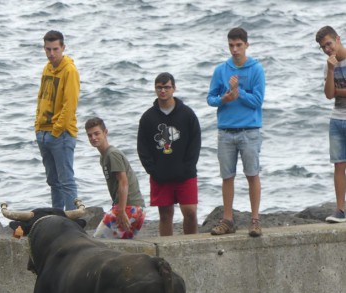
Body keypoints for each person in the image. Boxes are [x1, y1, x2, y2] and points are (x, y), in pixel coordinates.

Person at [207, 27, 265, 237]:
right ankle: (228, 220)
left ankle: (255, 220)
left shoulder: (256, 69)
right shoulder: (221, 70)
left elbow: (258, 101)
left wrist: (239, 93)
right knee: (227, 177)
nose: (234, 49)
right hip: (226, 131)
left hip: (249, 130)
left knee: (252, 174)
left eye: (238, 45)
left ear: (246, 45)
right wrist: (225, 98)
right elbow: (210, 99)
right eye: (231, 45)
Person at [137, 72, 201, 236]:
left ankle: (190, 244)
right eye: (159, 87)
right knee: (165, 215)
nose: (163, 91)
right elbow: (142, 147)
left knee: (190, 212)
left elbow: (195, 142)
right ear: (155, 89)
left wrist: (188, 166)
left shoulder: (187, 114)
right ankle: (167, 251)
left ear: (174, 88)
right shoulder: (148, 117)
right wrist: (153, 169)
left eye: (167, 87)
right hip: (160, 175)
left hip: (185, 173)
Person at [35, 30, 80, 211]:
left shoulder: (69, 71)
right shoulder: (47, 67)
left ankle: (71, 220)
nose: (51, 54)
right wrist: (37, 126)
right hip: (43, 131)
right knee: (53, 181)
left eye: (55, 49)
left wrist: (56, 130)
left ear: (63, 48)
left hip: (60, 134)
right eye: (48, 49)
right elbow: (41, 97)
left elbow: (70, 105)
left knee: (66, 181)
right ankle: (56, 216)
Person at [85, 117, 146, 239]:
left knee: (98, 242)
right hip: (132, 208)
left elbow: (123, 182)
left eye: (97, 133)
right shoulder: (104, 157)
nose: (93, 138)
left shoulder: (112, 154)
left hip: (131, 208)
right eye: (90, 135)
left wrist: (121, 212)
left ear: (105, 132)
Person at [315, 26, 346, 223]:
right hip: (336, 118)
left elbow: (334, 92)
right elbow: (328, 95)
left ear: (337, 38)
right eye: (323, 47)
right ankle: (340, 210)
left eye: (329, 43)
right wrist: (332, 69)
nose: (327, 49)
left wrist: (337, 91)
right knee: (338, 164)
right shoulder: (329, 65)